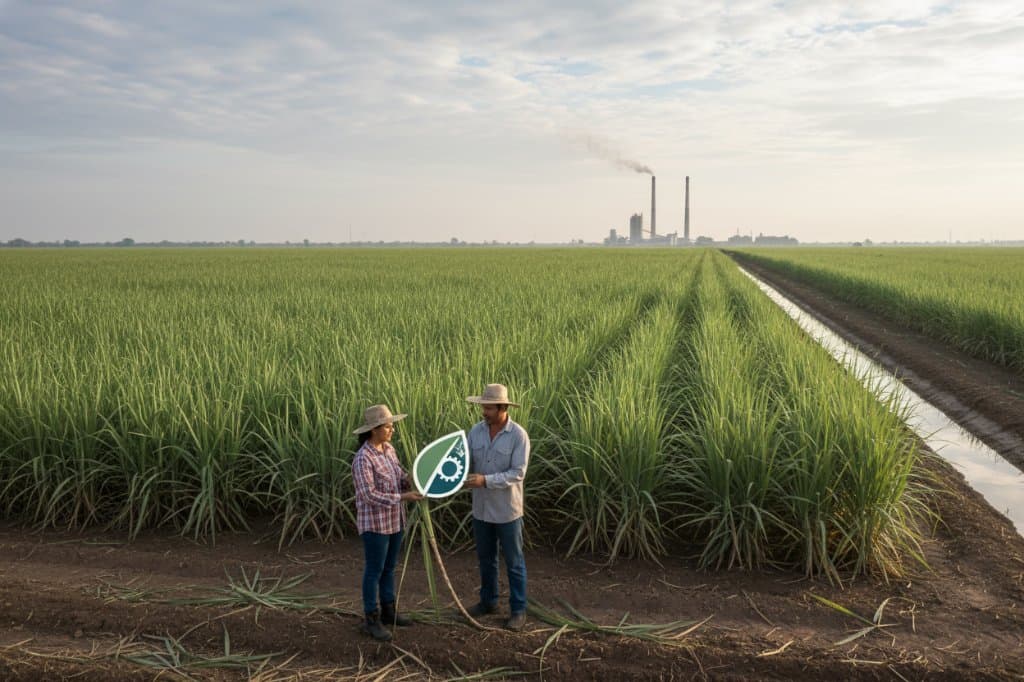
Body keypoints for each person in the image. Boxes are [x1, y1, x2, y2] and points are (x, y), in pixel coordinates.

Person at [462, 383, 531, 631]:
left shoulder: (518, 436)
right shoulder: (476, 431)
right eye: (483, 407)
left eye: (489, 408)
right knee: (486, 559)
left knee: (514, 561)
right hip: (481, 509)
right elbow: (465, 461)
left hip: (507, 511)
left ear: (503, 408)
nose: (484, 412)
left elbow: (518, 473)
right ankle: (488, 602)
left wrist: (486, 481)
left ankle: (518, 610)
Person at [352, 404, 423, 641]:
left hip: (395, 521)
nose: (392, 430)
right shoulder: (363, 458)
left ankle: (389, 611)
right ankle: (371, 619)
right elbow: (368, 495)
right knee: (375, 569)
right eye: (388, 427)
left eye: (392, 426)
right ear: (374, 430)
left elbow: (399, 477)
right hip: (375, 525)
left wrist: (411, 479)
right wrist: (403, 497)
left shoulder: (389, 450)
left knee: (389, 568)